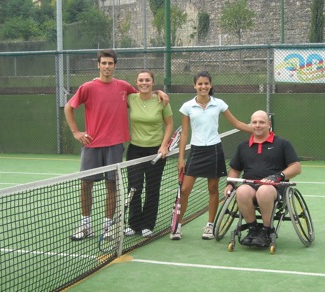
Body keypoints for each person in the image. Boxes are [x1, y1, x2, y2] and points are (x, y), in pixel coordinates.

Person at [65, 49, 169, 241]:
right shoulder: (87, 87)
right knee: (86, 183)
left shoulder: (123, 87)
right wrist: (76, 132)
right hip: (92, 144)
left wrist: (158, 91)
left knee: (112, 185)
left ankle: (107, 226)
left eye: (110, 63)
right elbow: (69, 107)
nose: (106, 66)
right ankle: (86, 225)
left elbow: (143, 94)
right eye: (103, 63)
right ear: (98, 65)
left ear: (115, 66)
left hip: (115, 146)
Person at [170, 70, 253, 241]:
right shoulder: (187, 107)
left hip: (214, 150)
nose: (203, 86)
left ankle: (210, 225)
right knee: (185, 190)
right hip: (195, 152)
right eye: (200, 84)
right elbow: (185, 134)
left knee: (213, 189)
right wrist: (180, 158)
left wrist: (257, 129)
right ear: (195, 86)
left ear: (211, 85)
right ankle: (177, 225)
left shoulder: (219, 104)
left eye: (206, 83)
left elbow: (236, 123)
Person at [224, 110, 301, 247]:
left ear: (269, 124)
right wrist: (230, 184)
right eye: (254, 122)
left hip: (275, 188)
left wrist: (278, 176)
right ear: (251, 124)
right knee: (241, 191)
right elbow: (235, 169)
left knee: (264, 191)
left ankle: (267, 230)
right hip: (250, 185)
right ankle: (253, 229)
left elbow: (296, 167)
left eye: (261, 122)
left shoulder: (283, 144)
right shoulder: (242, 147)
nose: (258, 125)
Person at [123, 70, 174, 238]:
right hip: (135, 150)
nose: (144, 83)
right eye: (141, 80)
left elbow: (169, 125)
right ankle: (133, 224)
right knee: (134, 187)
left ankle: (147, 225)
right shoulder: (131, 99)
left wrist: (164, 145)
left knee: (153, 189)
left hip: (156, 151)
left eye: (147, 80)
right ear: (136, 83)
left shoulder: (162, 100)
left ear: (153, 82)